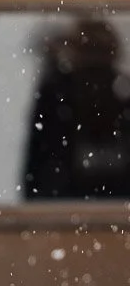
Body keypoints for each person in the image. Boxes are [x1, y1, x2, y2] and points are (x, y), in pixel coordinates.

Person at [22, 18, 130, 199]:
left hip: (66, 203)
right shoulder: (57, 94)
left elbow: (36, 170)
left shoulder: (57, 94)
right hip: (80, 202)